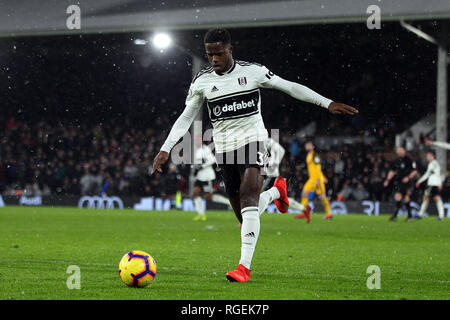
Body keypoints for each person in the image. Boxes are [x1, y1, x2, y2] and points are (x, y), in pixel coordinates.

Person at [152, 28, 358, 282]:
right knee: (244, 214)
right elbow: (186, 117)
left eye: (218, 54)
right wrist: (166, 148)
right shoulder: (202, 82)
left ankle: (243, 267)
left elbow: (289, 87)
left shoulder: (253, 72)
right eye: (209, 55)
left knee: (250, 196)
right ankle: (276, 192)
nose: (214, 60)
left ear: (230, 49)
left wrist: (326, 103)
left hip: (253, 142)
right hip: (224, 151)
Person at [262, 137, 306, 214]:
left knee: (280, 197)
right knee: (281, 197)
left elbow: (280, 150)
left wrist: (272, 168)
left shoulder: (259, 140)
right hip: (270, 175)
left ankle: (247, 220)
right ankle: (303, 208)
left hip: (271, 176)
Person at [192, 136, 230, 221]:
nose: (196, 142)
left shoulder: (205, 149)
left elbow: (213, 159)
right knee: (195, 193)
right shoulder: (197, 150)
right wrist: (195, 170)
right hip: (200, 177)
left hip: (207, 177)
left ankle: (228, 202)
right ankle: (201, 214)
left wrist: (202, 166)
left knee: (208, 196)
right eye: (195, 140)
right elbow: (197, 164)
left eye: (197, 140)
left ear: (201, 140)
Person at [294, 141, 332, 222]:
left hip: (317, 180)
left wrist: (319, 179)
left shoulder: (315, 155)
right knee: (304, 194)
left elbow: (318, 167)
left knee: (322, 197)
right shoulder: (308, 155)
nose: (307, 146)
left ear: (313, 147)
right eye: (306, 145)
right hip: (311, 179)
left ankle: (329, 214)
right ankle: (304, 212)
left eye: (309, 145)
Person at [384, 146, 418, 222]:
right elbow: (392, 171)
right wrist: (387, 180)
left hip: (406, 182)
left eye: (400, 150)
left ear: (404, 150)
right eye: (398, 150)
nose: (399, 151)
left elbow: (414, 171)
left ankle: (395, 215)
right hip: (398, 181)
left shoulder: (409, 160)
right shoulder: (396, 161)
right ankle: (409, 216)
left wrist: (408, 178)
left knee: (398, 196)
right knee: (405, 198)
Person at [416, 151, 445, 220]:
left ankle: (440, 216)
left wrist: (439, 183)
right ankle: (420, 214)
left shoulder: (435, 163)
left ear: (433, 156)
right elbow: (427, 174)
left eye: (429, 156)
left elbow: (438, 174)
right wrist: (420, 181)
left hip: (433, 183)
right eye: (427, 156)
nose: (427, 157)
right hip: (431, 184)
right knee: (429, 198)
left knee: (433, 198)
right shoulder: (431, 164)